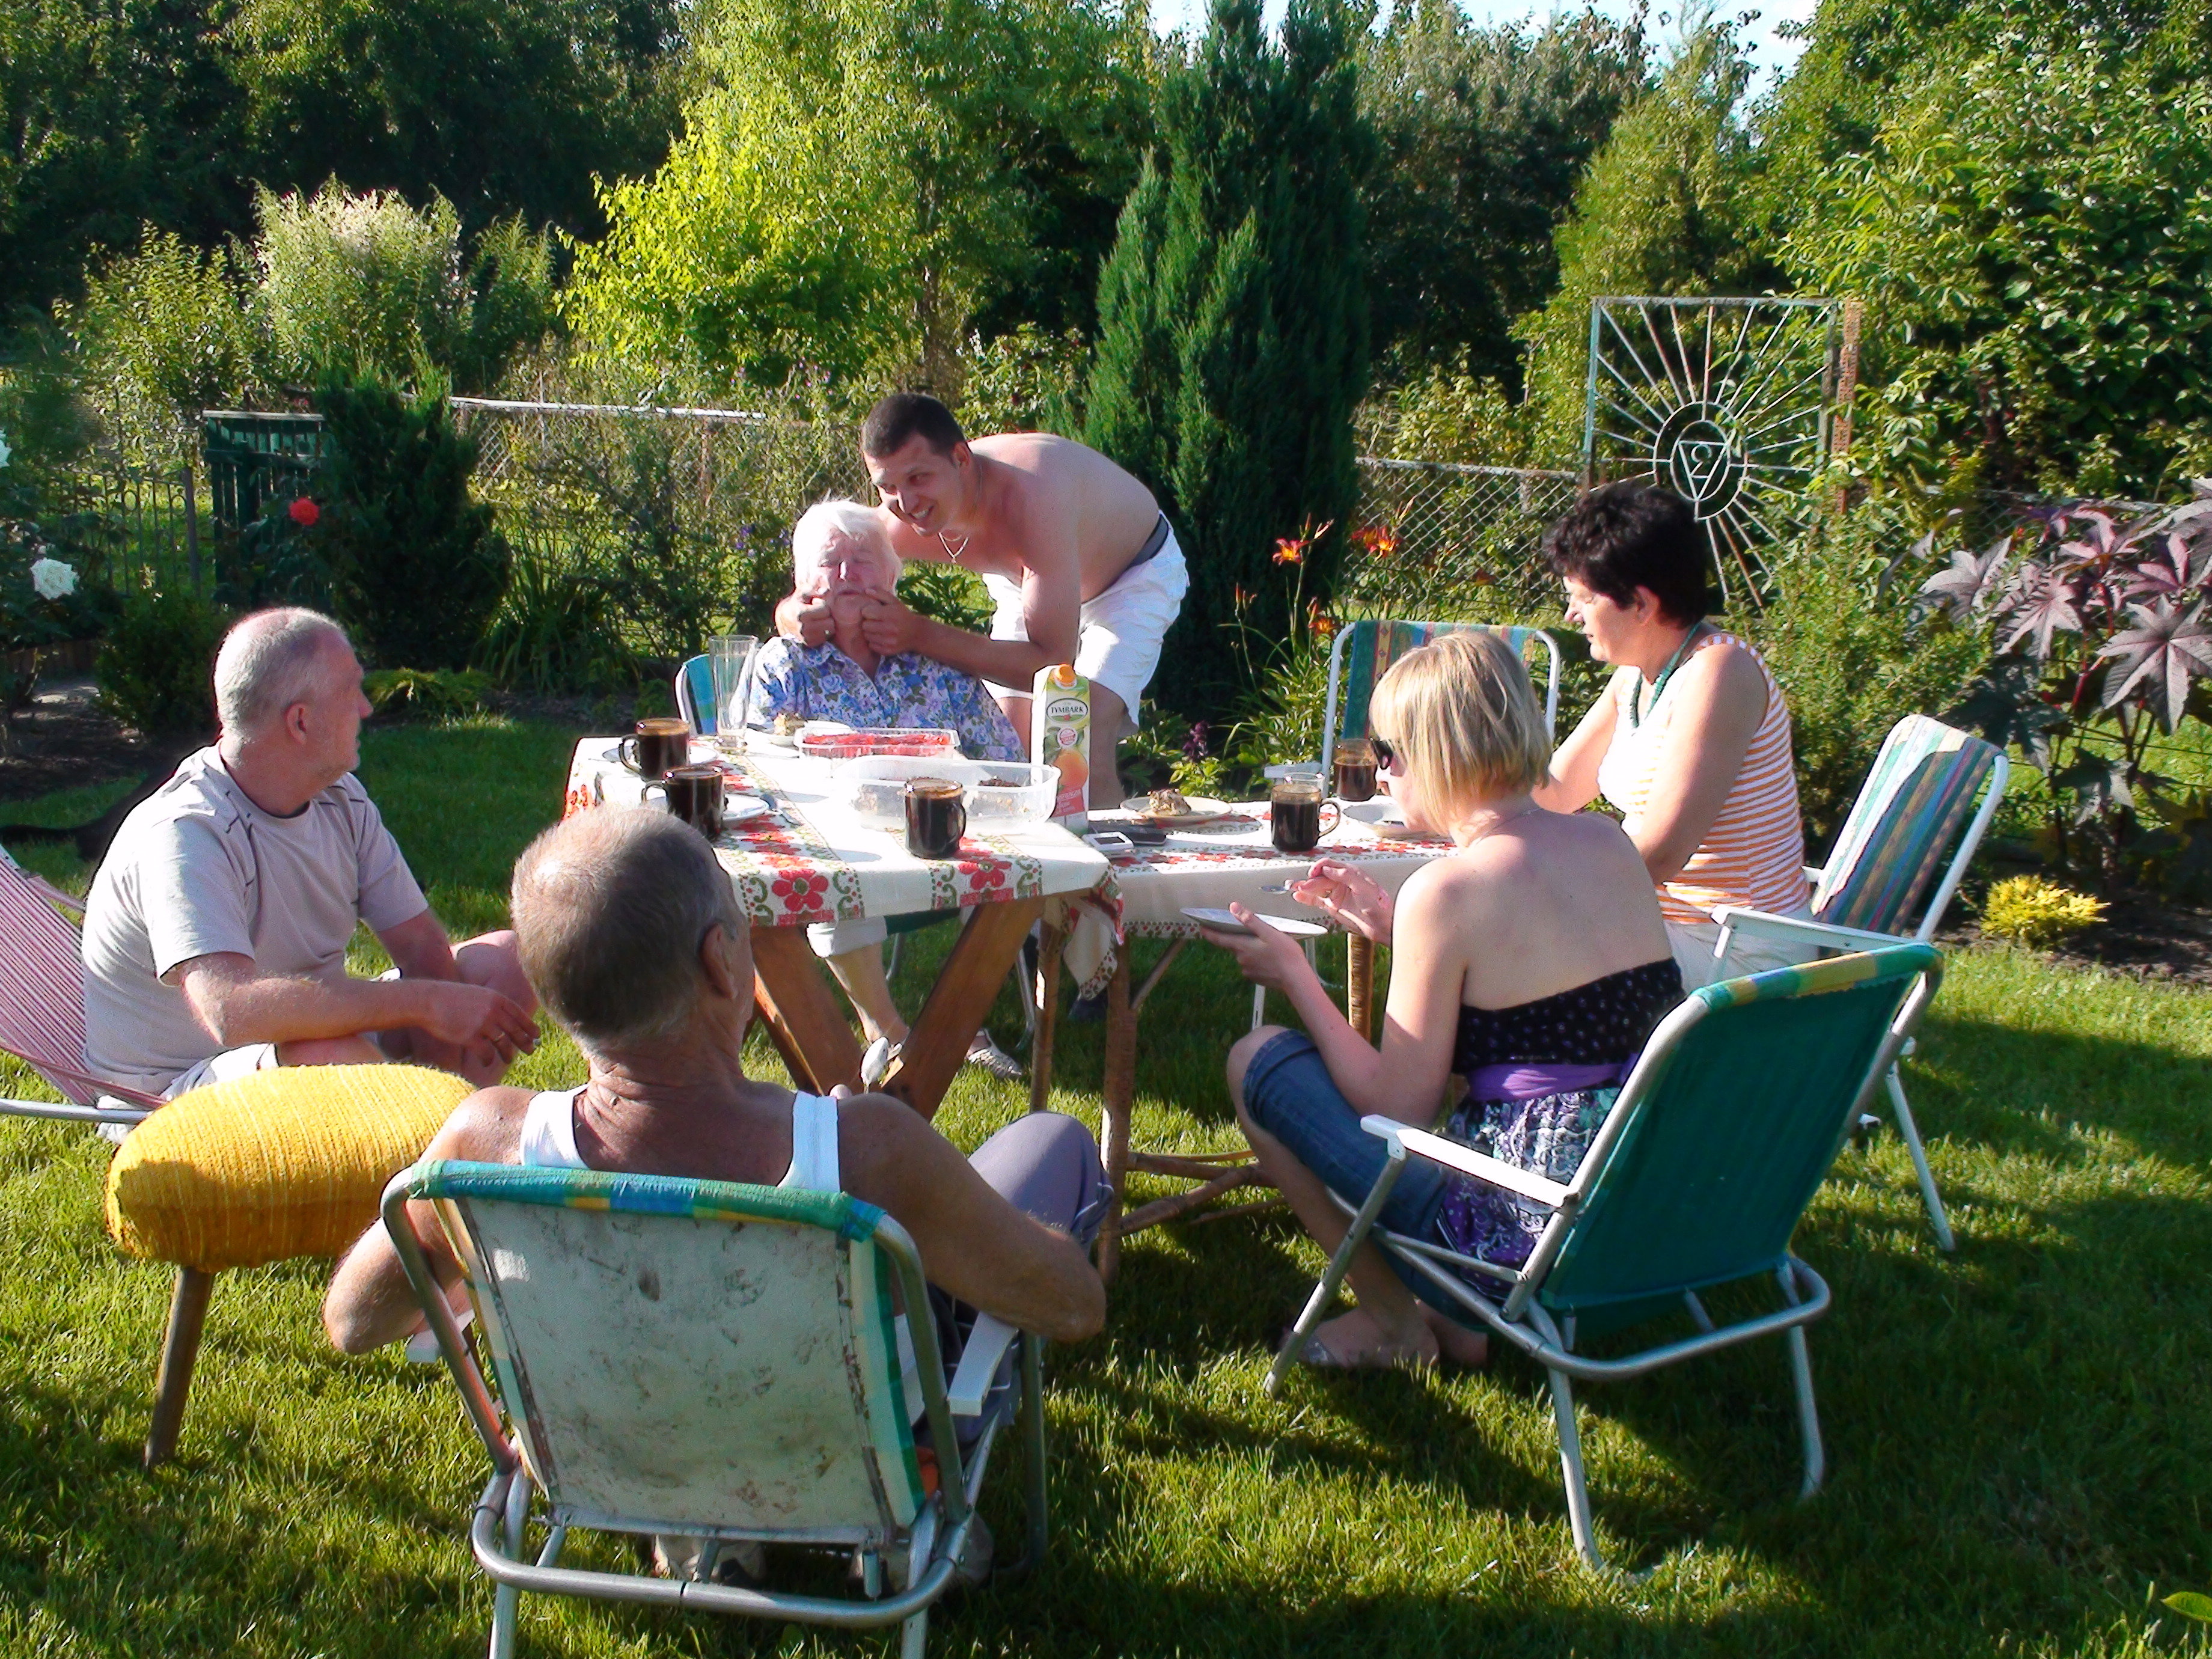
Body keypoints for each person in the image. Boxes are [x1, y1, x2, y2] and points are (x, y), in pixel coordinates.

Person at [321, 809, 1109, 1577]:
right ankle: (894, 1514)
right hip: (857, 1463)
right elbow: (1073, 1306)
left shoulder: (484, 1149)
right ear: (720, 962)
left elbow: (354, 1320)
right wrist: (911, 1182)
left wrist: (477, 1255)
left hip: (620, 1460)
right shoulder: (869, 1152)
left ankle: (706, 1520)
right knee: (1055, 1146)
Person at [1205, 631, 1683, 1371]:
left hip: (1527, 1220)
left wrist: (1295, 973)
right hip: (1643, 1193)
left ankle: (1397, 1322)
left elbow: (1396, 1109)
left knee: (1254, 1063)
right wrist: (1399, 933)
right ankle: (1459, 1316)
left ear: (1434, 752)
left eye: (1386, 754)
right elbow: (1552, 999)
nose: (1382, 772)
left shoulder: (1448, 889)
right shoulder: (1606, 843)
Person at [81, 608, 539, 1101]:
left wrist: (446, 1036)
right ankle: (428, 1142)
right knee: (329, 1057)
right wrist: (426, 1003)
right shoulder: (187, 833)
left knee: (506, 962)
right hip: (176, 1092)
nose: (365, 708)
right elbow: (231, 1012)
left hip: (307, 1042)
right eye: (351, 692)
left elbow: (420, 944)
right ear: (300, 721)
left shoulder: (339, 799)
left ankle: (442, 1134)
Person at [774, 393, 1187, 808]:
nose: (908, 504)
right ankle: (1022, 867)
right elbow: (816, 580)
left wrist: (918, 632)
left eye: (919, 478)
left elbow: (1052, 668)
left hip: (1132, 576)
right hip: (1026, 578)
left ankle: (1102, 871)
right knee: (1007, 743)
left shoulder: (1034, 496)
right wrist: (793, 616)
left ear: (960, 458)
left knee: (1078, 737)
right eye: (888, 487)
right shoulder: (894, 522)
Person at [749, 499, 1027, 1083]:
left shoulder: (934, 664)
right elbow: (756, 769)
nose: (848, 574)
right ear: (803, 584)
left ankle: (954, 1020)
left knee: (1026, 871)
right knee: (829, 880)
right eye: (829, 562)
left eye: (864, 560)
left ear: (893, 577)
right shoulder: (785, 664)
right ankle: (895, 1032)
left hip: (944, 841)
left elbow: (1004, 758)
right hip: (838, 843)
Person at [1532, 483, 1814, 989]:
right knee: (1491, 932)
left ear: (1640, 605)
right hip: (1664, 926)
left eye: (1582, 598)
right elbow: (1555, 791)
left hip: (1736, 950)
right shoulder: (1640, 675)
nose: (1571, 616)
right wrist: (1454, 780)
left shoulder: (1720, 673)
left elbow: (1661, 852)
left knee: (1501, 941)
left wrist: (1533, 884)